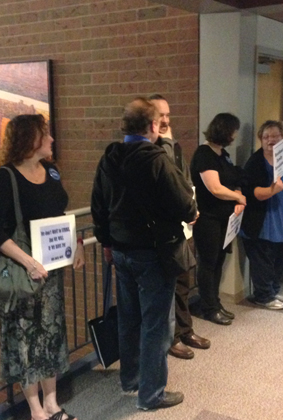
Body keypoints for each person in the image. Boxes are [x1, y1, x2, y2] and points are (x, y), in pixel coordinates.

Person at [91, 98, 197, 411]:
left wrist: (107, 243)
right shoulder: (156, 159)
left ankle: (131, 379)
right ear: (152, 126)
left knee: (129, 318)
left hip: (121, 252)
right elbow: (185, 204)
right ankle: (151, 395)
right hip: (153, 253)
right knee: (156, 325)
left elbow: (99, 205)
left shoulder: (110, 156)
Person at [0, 114, 84, 420]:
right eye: (46, 134)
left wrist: (76, 243)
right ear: (30, 139)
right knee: (26, 339)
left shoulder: (51, 172)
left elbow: (59, 212)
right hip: (22, 273)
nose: (52, 139)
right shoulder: (4, 178)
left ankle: (52, 404)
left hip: (50, 270)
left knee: (51, 335)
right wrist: (28, 262)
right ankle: (36, 410)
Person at [149, 94, 210, 360]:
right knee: (169, 286)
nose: (164, 120)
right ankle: (172, 337)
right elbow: (166, 184)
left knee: (184, 281)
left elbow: (184, 182)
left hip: (183, 226)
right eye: (159, 115)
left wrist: (192, 210)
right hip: (164, 232)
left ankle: (185, 330)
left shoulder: (173, 146)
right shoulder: (153, 148)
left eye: (167, 115)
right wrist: (165, 141)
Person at [240, 121, 283, 310]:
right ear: (261, 139)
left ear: (282, 137)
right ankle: (263, 295)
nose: (271, 140)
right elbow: (251, 193)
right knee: (264, 260)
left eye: (275, 135)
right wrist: (272, 189)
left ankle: (274, 290)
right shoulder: (256, 162)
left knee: (282, 257)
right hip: (265, 220)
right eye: (266, 136)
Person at [190, 113, 246, 324]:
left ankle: (215, 302)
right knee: (208, 263)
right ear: (224, 130)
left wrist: (238, 194)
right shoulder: (204, 154)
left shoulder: (223, 154)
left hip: (224, 218)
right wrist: (238, 196)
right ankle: (208, 307)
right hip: (208, 218)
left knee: (219, 261)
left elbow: (233, 179)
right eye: (233, 131)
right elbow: (215, 188)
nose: (234, 136)